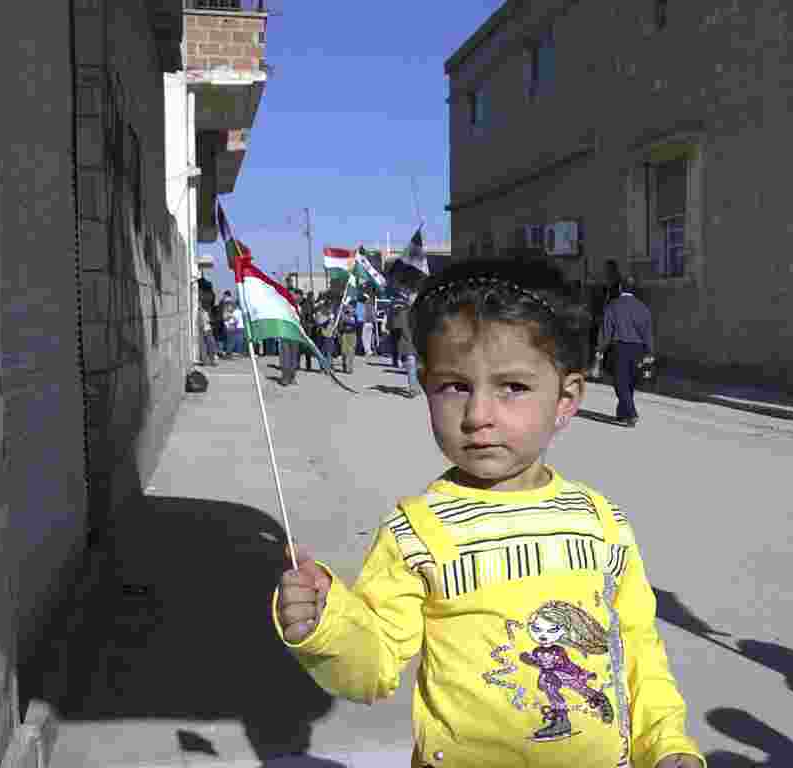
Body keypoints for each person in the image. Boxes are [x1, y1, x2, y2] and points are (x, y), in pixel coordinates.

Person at [273, 257, 704, 768]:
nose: (478, 415)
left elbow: (637, 652)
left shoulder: (600, 523)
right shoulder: (416, 534)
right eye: (455, 386)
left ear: (566, 398)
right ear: (427, 386)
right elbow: (373, 667)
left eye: (513, 388)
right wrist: (329, 627)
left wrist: (667, 744)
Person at [597, 276, 654, 427]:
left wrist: (600, 349)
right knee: (629, 383)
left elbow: (606, 330)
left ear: (620, 288)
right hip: (638, 349)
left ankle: (631, 413)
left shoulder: (613, 306)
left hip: (620, 348)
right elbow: (648, 333)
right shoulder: (643, 308)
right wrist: (649, 352)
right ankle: (622, 414)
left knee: (620, 383)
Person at [391, 296, 418, 398]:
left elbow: (395, 327)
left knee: (412, 366)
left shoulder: (403, 312)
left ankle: (413, 389)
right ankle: (414, 388)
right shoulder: (420, 312)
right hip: (413, 343)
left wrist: (395, 313)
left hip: (409, 343)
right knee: (414, 366)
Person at [337, 300, 358, 374]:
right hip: (345, 335)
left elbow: (357, 325)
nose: (351, 309)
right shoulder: (343, 315)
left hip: (352, 335)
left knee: (351, 352)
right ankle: (344, 365)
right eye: (349, 307)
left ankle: (350, 368)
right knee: (344, 352)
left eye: (352, 307)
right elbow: (340, 326)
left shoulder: (355, 315)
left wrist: (351, 325)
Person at [300, 291, 318, 372]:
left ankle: (308, 365)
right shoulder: (307, 305)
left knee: (308, 348)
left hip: (309, 328)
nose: (314, 299)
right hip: (307, 329)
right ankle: (307, 365)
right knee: (307, 347)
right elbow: (306, 317)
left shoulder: (310, 304)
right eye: (313, 297)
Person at [197, 301, 218, 367]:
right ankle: (210, 361)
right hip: (206, 330)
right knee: (210, 346)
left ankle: (207, 361)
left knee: (207, 346)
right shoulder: (202, 312)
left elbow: (205, 321)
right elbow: (204, 322)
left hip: (206, 330)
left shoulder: (202, 312)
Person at [361, 293, 377, 358]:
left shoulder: (365, 305)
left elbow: (364, 314)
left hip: (366, 323)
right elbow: (374, 315)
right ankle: (369, 350)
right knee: (369, 338)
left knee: (364, 338)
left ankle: (367, 351)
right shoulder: (372, 306)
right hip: (371, 323)